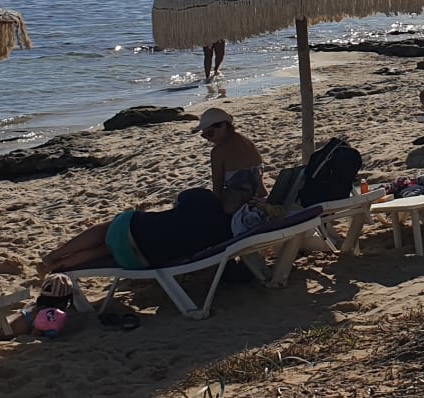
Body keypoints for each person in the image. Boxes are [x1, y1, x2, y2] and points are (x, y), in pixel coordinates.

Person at [37, 175, 254, 279]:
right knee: (106, 250)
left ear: (226, 189)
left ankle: (53, 257)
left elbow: (180, 198)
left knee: (108, 231)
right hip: (140, 261)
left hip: (131, 229)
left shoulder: (204, 198)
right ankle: (58, 267)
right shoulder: (230, 230)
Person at [196, 107, 264, 202]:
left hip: (238, 204)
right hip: (261, 197)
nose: (208, 139)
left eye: (210, 133)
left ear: (223, 126)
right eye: (204, 135)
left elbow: (217, 189)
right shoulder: (246, 142)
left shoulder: (218, 152)